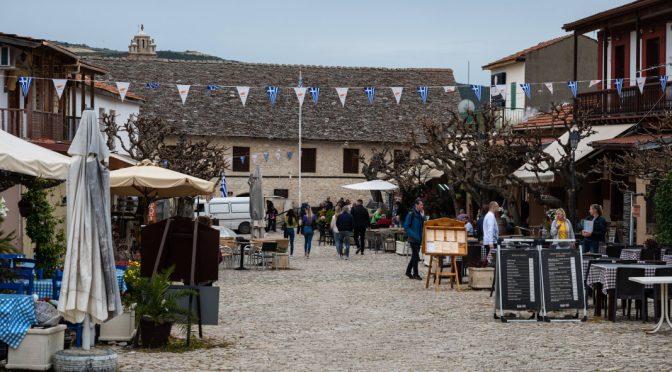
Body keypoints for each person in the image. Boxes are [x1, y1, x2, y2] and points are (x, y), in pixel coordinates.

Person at [404, 198, 424, 280]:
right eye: (421, 204)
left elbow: (422, 225)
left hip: (419, 238)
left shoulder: (419, 215)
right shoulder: (411, 214)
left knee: (414, 256)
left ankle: (408, 272)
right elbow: (406, 226)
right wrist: (413, 234)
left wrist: (423, 217)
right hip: (413, 238)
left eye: (422, 205)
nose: (422, 206)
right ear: (416, 205)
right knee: (416, 256)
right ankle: (416, 274)